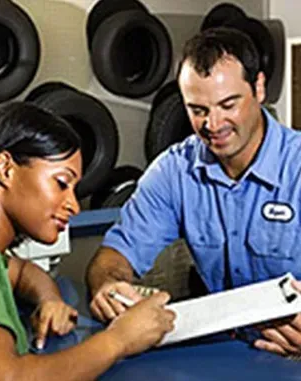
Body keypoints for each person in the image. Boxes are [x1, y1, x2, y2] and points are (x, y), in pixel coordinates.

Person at [86, 27, 301, 358]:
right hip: (224, 354)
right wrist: (109, 287)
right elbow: (114, 256)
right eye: (198, 110)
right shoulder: (175, 171)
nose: (213, 124)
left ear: (259, 88)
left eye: (228, 104)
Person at [0, 102, 175, 380]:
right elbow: (6, 378)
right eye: (61, 183)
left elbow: (21, 271)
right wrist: (119, 339)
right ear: (5, 169)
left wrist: (49, 300)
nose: (74, 206)